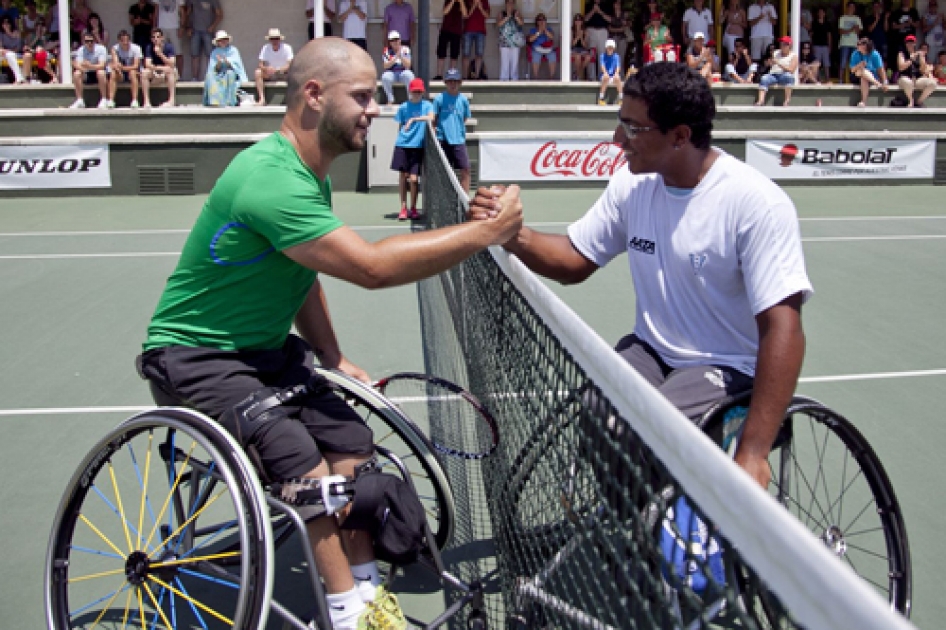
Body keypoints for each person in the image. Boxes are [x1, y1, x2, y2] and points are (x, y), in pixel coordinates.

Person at [137, 37, 521, 630]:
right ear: (314, 94)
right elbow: (371, 268)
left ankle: (367, 596)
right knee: (300, 461)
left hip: (265, 353)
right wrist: (484, 235)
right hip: (195, 355)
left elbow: (302, 271)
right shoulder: (272, 178)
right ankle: (344, 615)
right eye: (364, 97)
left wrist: (332, 354)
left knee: (352, 444)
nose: (376, 109)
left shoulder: (309, 174)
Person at [470, 61, 811, 493]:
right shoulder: (633, 185)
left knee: (652, 425)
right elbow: (576, 258)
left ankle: (671, 536)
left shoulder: (756, 204)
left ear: (680, 136)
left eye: (633, 129)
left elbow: (785, 327)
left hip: (727, 367)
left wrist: (754, 451)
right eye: (619, 124)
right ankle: (636, 532)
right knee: (596, 409)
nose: (617, 141)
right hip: (651, 352)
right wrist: (512, 235)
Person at [392, 78, 434, 220]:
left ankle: (413, 207)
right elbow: (400, 126)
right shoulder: (403, 107)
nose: (416, 94)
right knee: (403, 176)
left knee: (414, 179)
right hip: (403, 144)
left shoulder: (427, 105)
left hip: (418, 147)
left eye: (419, 92)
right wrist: (401, 140)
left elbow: (431, 118)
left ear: (422, 92)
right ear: (410, 91)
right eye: (414, 91)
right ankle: (403, 207)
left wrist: (414, 120)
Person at [433, 67, 472, 191]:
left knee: (465, 169)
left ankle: (464, 201)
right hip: (443, 140)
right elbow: (434, 118)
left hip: (459, 140)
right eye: (450, 81)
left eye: (455, 81)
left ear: (460, 82)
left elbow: (465, 117)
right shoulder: (439, 99)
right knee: (445, 173)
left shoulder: (463, 100)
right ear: (445, 82)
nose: (453, 84)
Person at [203, 29, 247, 106]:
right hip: (219, 74)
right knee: (210, 76)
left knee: (229, 73)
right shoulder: (214, 52)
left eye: (224, 39)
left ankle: (229, 101)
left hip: (231, 73)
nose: (223, 41)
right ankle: (215, 102)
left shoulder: (233, 50)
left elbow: (237, 67)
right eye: (220, 40)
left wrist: (228, 63)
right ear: (217, 42)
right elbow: (213, 69)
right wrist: (219, 63)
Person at [255, 27, 293, 106]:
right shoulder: (265, 48)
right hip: (270, 74)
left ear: (280, 39)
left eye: (276, 38)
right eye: (272, 38)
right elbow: (260, 64)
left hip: (284, 73)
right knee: (258, 72)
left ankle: (293, 100)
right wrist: (266, 69)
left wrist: (278, 70)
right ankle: (262, 99)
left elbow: (289, 64)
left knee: (296, 74)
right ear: (269, 40)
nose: (275, 41)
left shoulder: (287, 48)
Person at [186, 0, 222, 81]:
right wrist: (188, 27)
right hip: (194, 30)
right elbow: (187, 14)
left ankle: (211, 76)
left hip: (208, 30)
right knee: (194, 55)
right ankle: (194, 78)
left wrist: (213, 26)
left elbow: (219, 15)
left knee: (210, 55)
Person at [69, 32, 108, 108]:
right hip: (86, 73)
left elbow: (102, 65)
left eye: (91, 41)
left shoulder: (101, 49)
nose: (89, 43)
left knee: (101, 72)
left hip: (97, 73)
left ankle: (104, 99)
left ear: (95, 41)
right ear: (83, 42)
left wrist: (89, 66)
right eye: (87, 41)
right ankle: (79, 100)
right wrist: (85, 68)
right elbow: (77, 65)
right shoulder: (81, 50)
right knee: (77, 74)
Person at [754, 35, 796, 106]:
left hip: (784, 75)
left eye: (783, 44)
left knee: (789, 77)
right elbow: (772, 64)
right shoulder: (776, 52)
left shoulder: (794, 56)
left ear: (788, 46)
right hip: (773, 74)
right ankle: (761, 101)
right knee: (764, 78)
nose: (781, 46)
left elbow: (791, 70)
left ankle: (787, 100)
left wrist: (779, 64)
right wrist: (769, 63)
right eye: (781, 44)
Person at [142, 27, 178, 107]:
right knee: (144, 72)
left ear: (162, 38)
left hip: (166, 73)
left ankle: (171, 100)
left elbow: (172, 63)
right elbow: (147, 64)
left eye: (158, 37)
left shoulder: (169, 47)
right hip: (155, 72)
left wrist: (160, 54)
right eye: (153, 37)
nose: (156, 39)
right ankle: (146, 101)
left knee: (171, 70)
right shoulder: (149, 47)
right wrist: (159, 68)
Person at [897, 34, 937, 106]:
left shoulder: (918, 54)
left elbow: (923, 70)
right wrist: (911, 59)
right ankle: (910, 100)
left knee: (932, 83)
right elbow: (901, 67)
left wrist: (922, 59)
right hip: (904, 78)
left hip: (917, 79)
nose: (910, 44)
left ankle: (919, 101)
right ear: (905, 44)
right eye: (908, 42)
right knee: (908, 82)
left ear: (915, 43)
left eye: (912, 42)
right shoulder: (901, 54)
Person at [850, 37, 888, 106]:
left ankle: (863, 101)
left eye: (860, 45)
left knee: (864, 78)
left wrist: (885, 82)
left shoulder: (875, 54)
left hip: (871, 76)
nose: (858, 46)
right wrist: (859, 65)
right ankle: (877, 84)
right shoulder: (855, 54)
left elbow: (881, 69)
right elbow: (852, 70)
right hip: (857, 75)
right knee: (862, 72)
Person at [108, 29, 142, 108]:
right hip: (121, 72)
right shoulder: (115, 48)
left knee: (133, 73)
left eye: (127, 40)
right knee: (113, 74)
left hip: (133, 72)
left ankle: (134, 100)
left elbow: (136, 65)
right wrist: (118, 69)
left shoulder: (136, 48)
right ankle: (111, 100)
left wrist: (122, 68)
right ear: (119, 41)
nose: (125, 42)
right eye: (123, 40)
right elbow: (116, 63)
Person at [434, 0, 466, 80]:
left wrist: (461, 2)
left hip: (456, 31)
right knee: (441, 53)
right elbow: (445, 12)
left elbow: (465, 14)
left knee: (454, 54)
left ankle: (452, 75)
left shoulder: (463, 2)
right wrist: (452, 1)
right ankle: (439, 75)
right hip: (445, 29)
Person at [154, 0, 186, 79]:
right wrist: (154, 27)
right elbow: (156, 12)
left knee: (178, 53)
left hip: (175, 27)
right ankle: (162, 75)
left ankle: (180, 76)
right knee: (161, 52)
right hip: (161, 28)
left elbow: (183, 13)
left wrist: (182, 27)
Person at [380, 30, 414, 105]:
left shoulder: (405, 49)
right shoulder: (386, 51)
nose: (395, 42)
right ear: (390, 42)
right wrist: (395, 57)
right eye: (392, 40)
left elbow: (408, 65)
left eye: (397, 39)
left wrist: (401, 56)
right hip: (392, 72)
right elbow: (385, 66)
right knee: (385, 77)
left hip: (403, 72)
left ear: (400, 40)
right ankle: (390, 99)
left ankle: (411, 98)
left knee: (409, 75)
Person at [888, 0, 919, 73]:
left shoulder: (913, 11)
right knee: (900, 56)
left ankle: (912, 72)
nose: (906, 1)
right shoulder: (897, 12)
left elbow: (917, 25)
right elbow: (893, 26)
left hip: (910, 39)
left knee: (912, 55)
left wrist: (911, 23)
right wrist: (904, 25)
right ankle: (898, 73)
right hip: (899, 40)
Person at [498, 0, 524, 81]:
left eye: (512, 3)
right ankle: (503, 81)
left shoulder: (517, 13)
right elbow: (499, 24)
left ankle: (514, 80)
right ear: (505, 4)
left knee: (515, 63)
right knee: (505, 63)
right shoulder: (501, 13)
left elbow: (521, 23)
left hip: (515, 42)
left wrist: (516, 17)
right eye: (508, 2)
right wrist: (507, 16)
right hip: (504, 42)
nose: (510, 5)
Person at [464, 0, 490, 79]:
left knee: (479, 54)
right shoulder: (466, 1)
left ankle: (477, 76)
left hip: (480, 31)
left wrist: (480, 7)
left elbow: (487, 16)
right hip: (468, 30)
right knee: (466, 54)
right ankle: (465, 76)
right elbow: (466, 16)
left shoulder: (484, 1)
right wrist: (473, 6)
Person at [0, 14, 29, 83]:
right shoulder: (1, 34)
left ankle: (19, 78)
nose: (6, 24)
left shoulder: (17, 33)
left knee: (10, 55)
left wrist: (9, 33)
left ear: (11, 23)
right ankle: (19, 78)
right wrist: (4, 51)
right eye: (4, 22)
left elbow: (18, 48)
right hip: (4, 54)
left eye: (7, 22)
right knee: (7, 54)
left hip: (16, 54)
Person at [527, 13, 557, 79]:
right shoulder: (533, 30)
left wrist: (545, 30)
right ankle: (536, 77)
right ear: (536, 21)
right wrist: (538, 32)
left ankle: (552, 77)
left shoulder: (549, 29)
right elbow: (530, 39)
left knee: (553, 55)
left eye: (543, 20)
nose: (541, 21)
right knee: (535, 56)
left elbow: (552, 37)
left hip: (547, 49)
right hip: (537, 48)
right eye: (539, 20)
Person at [838, 2, 862, 82]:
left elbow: (859, 32)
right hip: (844, 43)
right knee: (843, 63)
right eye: (850, 7)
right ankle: (840, 80)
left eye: (853, 7)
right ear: (847, 8)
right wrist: (852, 29)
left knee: (854, 63)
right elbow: (841, 31)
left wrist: (857, 29)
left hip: (855, 44)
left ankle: (854, 79)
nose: (852, 9)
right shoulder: (842, 18)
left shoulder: (857, 19)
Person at [583, 0, 613, 65]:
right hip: (591, 30)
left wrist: (599, 11)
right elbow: (585, 19)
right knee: (591, 53)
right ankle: (591, 75)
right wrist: (593, 10)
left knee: (602, 54)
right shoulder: (589, 5)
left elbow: (610, 20)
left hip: (603, 31)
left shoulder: (606, 5)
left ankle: (601, 74)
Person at [597, 38, 622, 104]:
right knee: (606, 77)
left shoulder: (616, 56)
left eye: (611, 48)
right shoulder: (602, 56)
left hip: (613, 75)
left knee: (617, 78)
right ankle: (601, 98)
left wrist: (616, 73)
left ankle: (621, 98)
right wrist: (605, 73)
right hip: (605, 75)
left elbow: (618, 66)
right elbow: (602, 66)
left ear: (614, 48)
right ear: (606, 48)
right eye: (609, 47)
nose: (610, 49)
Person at [810, 6, 832, 80]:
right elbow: (811, 35)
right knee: (817, 63)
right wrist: (811, 45)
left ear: (824, 14)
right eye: (819, 12)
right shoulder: (814, 23)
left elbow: (829, 35)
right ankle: (817, 79)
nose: (820, 14)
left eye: (822, 12)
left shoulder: (827, 23)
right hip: (816, 45)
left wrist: (829, 46)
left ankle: (828, 79)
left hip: (825, 46)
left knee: (826, 63)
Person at [571, 13, 594, 81]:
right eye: (576, 20)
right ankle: (578, 75)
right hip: (574, 49)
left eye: (580, 20)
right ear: (574, 22)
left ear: (582, 21)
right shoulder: (571, 30)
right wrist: (577, 36)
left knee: (588, 57)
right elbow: (572, 44)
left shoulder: (585, 31)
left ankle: (576, 74)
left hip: (583, 49)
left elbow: (585, 45)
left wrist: (581, 37)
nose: (578, 22)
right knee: (578, 57)